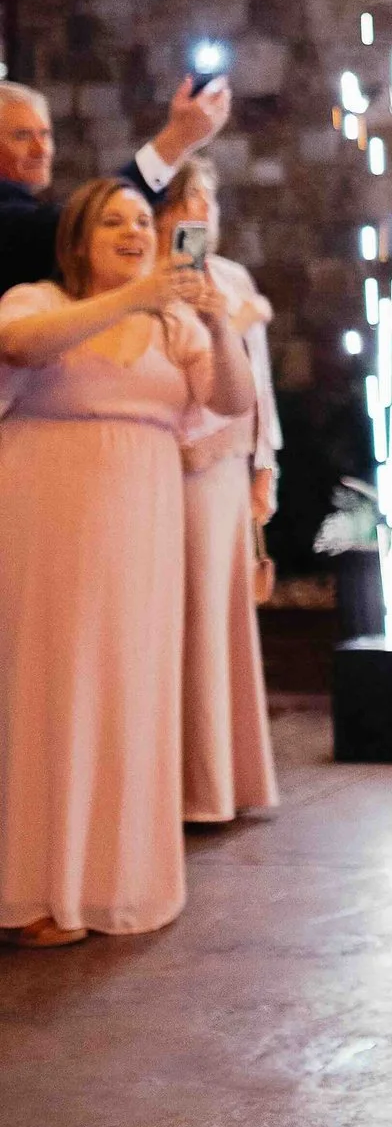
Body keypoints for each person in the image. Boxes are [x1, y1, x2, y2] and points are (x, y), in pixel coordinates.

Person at [0, 178, 252, 946]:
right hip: (46, 515)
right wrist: (134, 296)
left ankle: (115, 881)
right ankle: (35, 891)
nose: (135, 231)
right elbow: (19, 346)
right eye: (114, 221)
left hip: (143, 518)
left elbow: (233, 400)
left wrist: (218, 322)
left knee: (128, 686)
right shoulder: (36, 300)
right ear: (78, 241)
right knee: (47, 687)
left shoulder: (175, 322)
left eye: (143, 220)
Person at [157, 160, 281, 825]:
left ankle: (218, 782)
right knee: (171, 618)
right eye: (189, 202)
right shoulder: (147, 282)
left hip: (224, 467)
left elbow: (259, 386)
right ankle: (173, 784)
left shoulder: (233, 280)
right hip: (165, 462)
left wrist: (266, 465)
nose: (201, 215)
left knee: (217, 618)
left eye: (209, 202)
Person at [0, 76, 231, 297]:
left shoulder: (226, 275)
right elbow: (67, 228)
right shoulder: (13, 219)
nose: (41, 150)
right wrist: (176, 141)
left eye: (45, 134)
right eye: (22, 136)